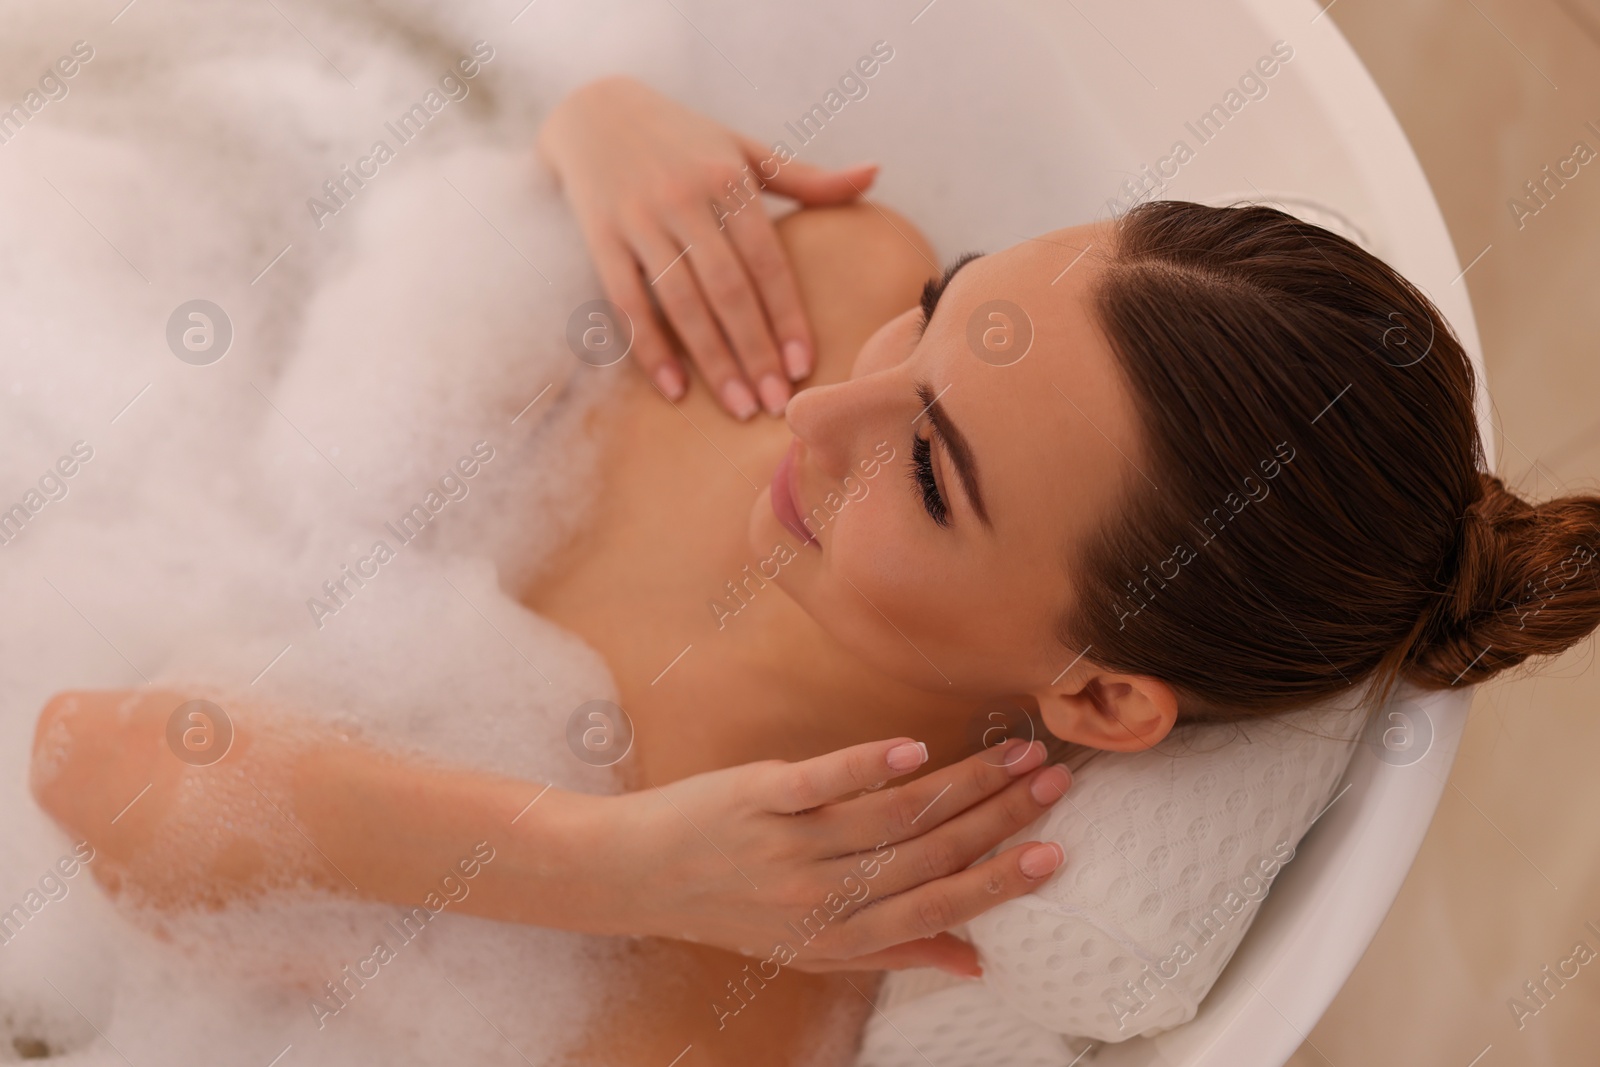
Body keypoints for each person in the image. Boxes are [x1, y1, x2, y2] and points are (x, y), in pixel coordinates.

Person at [31, 76, 1600, 1065]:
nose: (821, 402)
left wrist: (605, 866)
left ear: (1103, 694)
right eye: (964, 307)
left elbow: (86, 767)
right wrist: (602, 122)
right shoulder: (822, 283)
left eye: (928, 471)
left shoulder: (744, 964)